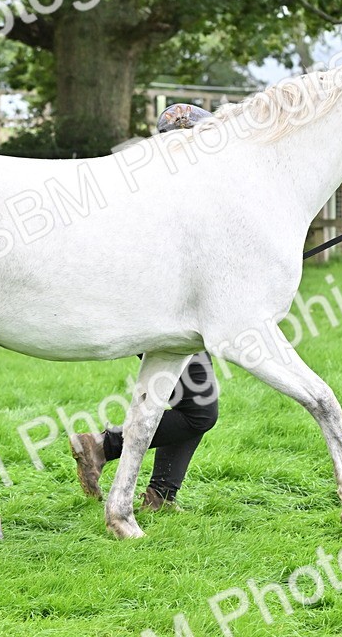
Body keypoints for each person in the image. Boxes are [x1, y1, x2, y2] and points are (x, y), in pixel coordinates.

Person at [69, 103, 219, 512]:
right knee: (200, 412)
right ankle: (102, 447)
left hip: (174, 310)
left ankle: (161, 495)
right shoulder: (177, 191)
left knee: (194, 405)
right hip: (162, 313)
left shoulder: (162, 184)